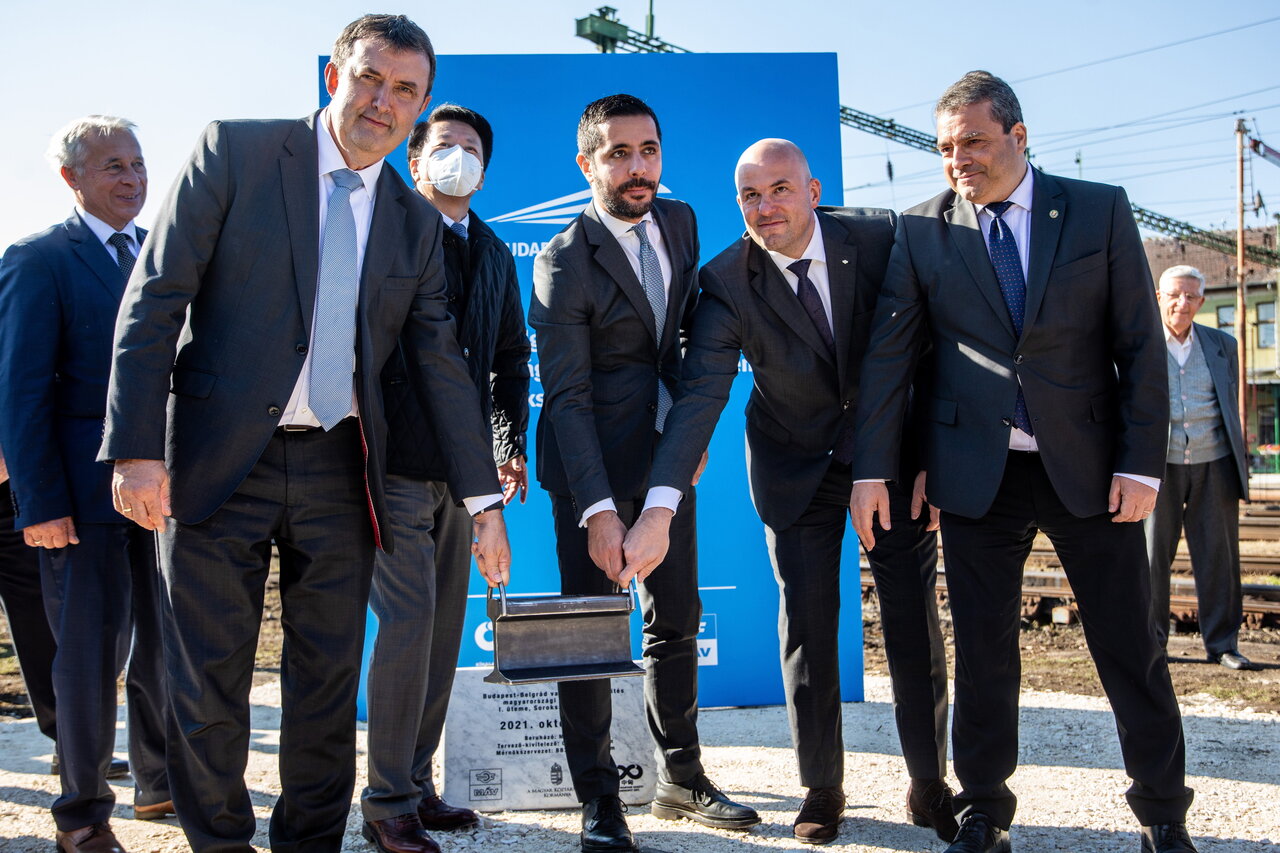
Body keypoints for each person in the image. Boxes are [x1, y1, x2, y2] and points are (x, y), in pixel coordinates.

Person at [98, 15, 512, 853]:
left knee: (326, 681)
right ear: (334, 77)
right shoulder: (236, 152)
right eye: (370, 79)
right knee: (209, 679)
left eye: (405, 90)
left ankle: (309, 842)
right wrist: (135, 449)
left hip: (339, 466)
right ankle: (220, 839)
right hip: (215, 459)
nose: (383, 102)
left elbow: (441, 366)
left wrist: (483, 502)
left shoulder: (413, 222)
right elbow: (156, 297)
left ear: (420, 105)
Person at [850, 71, 1196, 853]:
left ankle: (1164, 813)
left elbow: (1140, 344)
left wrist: (1142, 464)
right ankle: (984, 811)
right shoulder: (924, 227)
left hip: (1093, 471)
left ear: (1018, 136)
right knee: (982, 654)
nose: (958, 159)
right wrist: (876, 467)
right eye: (945, 147)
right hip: (979, 477)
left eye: (973, 141)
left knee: (1130, 648)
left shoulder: (1098, 209)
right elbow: (893, 357)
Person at [623, 138, 955, 845]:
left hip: (889, 454)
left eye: (779, 189)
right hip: (794, 463)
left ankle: (929, 782)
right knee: (807, 623)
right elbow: (700, 395)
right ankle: (822, 787)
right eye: (750, 195)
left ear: (813, 190)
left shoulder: (879, 237)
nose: (765, 206)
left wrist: (932, 457)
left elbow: (929, 351)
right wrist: (661, 501)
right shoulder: (727, 280)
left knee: (911, 618)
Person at [530, 93, 758, 853]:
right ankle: (600, 799)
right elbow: (566, 398)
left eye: (649, 150)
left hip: (665, 458)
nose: (639, 168)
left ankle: (681, 778)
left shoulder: (681, 220)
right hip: (588, 464)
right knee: (590, 634)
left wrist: (685, 440)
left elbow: (686, 341)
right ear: (586, 163)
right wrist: (598, 511)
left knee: (676, 620)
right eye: (619, 153)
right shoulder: (563, 260)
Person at [361, 104, 531, 853]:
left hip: (465, 476)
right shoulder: (383, 232)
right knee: (406, 624)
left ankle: (415, 781)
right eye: (443, 145)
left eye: (471, 148)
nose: (457, 156)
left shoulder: (492, 251)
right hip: (393, 462)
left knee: (440, 632)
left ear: (484, 171)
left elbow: (509, 360)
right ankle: (386, 800)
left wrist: (508, 445)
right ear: (414, 162)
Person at [0, 116, 171, 853]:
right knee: (88, 661)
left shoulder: (164, 255)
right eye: (113, 166)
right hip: (80, 500)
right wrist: (38, 504)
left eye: (137, 163)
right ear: (71, 177)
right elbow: (21, 393)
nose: (131, 178)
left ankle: (159, 782)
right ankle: (81, 815)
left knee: (165, 648)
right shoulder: (37, 260)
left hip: (164, 496)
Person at [1146, 265, 1259, 671]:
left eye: (1191, 296)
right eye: (1175, 295)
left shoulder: (1222, 344)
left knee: (1219, 559)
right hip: (1157, 466)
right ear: (1159, 298)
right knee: (1150, 558)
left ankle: (1223, 644)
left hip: (1215, 463)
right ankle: (1152, 645)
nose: (1183, 303)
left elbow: (1228, 402)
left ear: (1201, 302)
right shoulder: (1138, 343)